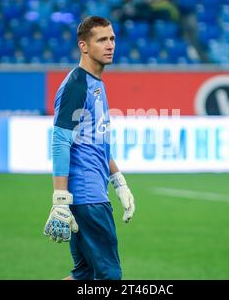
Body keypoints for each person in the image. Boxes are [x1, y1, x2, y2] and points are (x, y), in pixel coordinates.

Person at [43, 16, 136, 280]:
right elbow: (61, 140)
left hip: (91, 194)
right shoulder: (78, 84)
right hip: (89, 198)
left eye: (112, 39)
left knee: (83, 275)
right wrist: (60, 199)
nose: (110, 45)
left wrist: (119, 181)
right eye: (102, 40)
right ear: (84, 46)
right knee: (109, 276)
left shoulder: (95, 83)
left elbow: (98, 141)